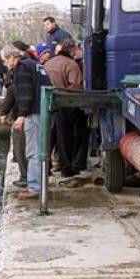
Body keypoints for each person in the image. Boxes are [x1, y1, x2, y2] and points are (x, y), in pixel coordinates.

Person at [1, 44, 51, 199]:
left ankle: (35, 187)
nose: (5, 64)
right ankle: (40, 184)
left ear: (11, 57)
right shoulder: (35, 64)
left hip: (34, 113)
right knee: (41, 150)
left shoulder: (21, 68)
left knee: (33, 151)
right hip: (44, 111)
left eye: (4, 61)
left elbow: (25, 92)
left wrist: (22, 115)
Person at [44, 39, 87, 177]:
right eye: (75, 50)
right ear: (71, 50)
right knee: (65, 137)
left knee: (50, 136)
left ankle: (46, 166)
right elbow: (75, 86)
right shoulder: (71, 64)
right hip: (64, 104)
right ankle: (66, 168)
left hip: (47, 102)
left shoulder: (48, 63)